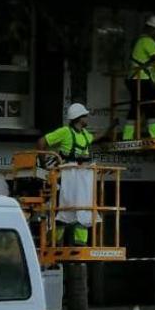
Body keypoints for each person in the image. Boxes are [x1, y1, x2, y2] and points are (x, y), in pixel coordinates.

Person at [37, 103, 115, 246]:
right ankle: (55, 243)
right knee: (62, 211)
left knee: (83, 209)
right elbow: (42, 142)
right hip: (66, 177)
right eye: (85, 116)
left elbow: (96, 137)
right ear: (79, 118)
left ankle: (80, 244)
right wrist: (43, 166)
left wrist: (110, 128)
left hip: (81, 178)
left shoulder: (84, 134)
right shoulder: (65, 132)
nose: (87, 118)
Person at [124, 15, 155, 140]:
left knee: (135, 108)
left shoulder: (139, 40)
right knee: (151, 107)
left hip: (134, 79)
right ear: (151, 28)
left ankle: (127, 137)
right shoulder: (148, 41)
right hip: (141, 79)